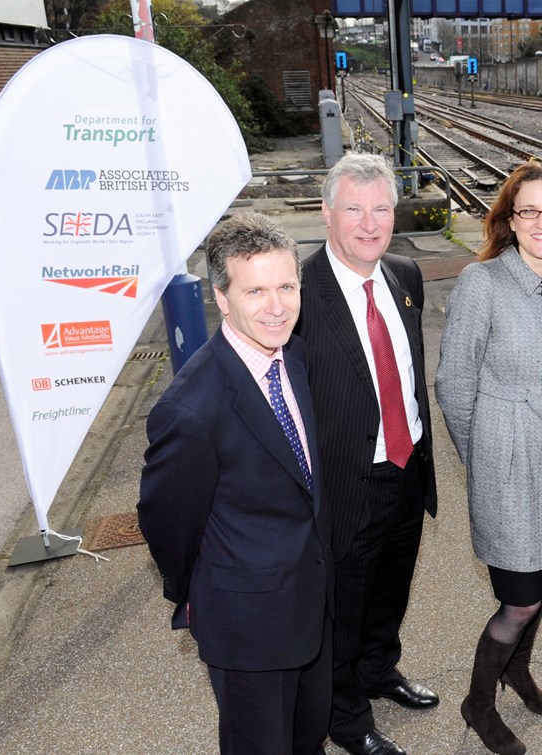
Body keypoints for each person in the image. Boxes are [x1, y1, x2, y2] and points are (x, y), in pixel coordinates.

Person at [138, 211, 333, 755]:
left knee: (307, 738)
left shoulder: (291, 357)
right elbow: (167, 525)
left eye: (287, 286)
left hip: (312, 604)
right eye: (256, 291)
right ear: (222, 299)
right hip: (248, 625)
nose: (277, 306)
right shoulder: (190, 408)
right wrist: (202, 594)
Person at [437, 161, 542, 755]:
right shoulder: (483, 283)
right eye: (528, 210)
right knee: (519, 595)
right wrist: (484, 458)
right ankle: (478, 703)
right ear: (508, 219)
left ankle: (517, 671)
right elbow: (452, 383)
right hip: (505, 453)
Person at [296, 152, 438, 755]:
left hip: (406, 470)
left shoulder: (406, 275)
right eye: (353, 208)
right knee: (343, 611)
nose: (369, 222)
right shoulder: (299, 290)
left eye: (381, 208)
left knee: (391, 590)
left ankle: (381, 671)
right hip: (346, 484)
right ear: (328, 213)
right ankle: (346, 717)